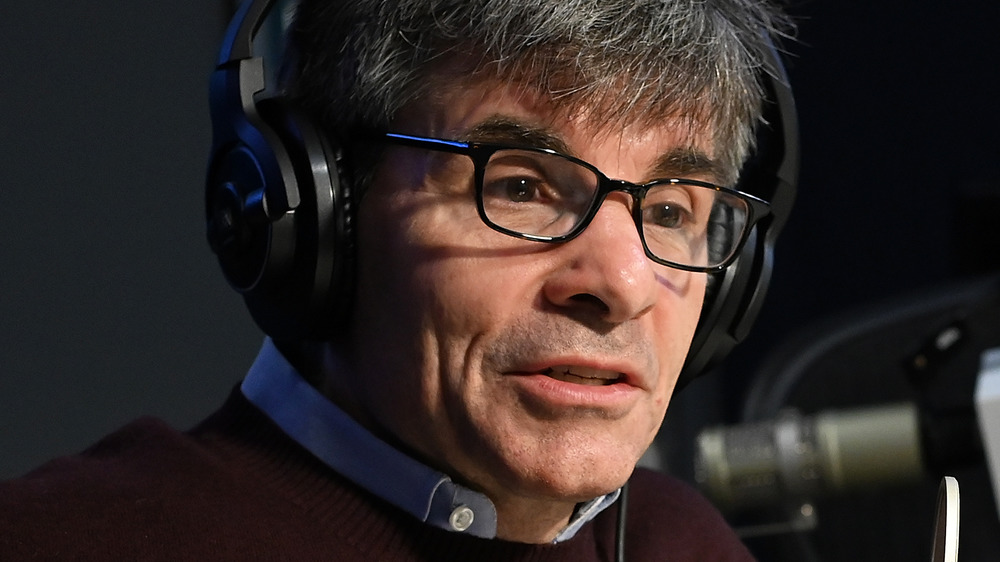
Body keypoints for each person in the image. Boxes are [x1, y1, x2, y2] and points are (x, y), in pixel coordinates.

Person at [0, 0, 795, 559]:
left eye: (670, 211)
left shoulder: (683, 547)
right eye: (519, 186)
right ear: (320, 214)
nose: (620, 282)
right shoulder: (65, 540)